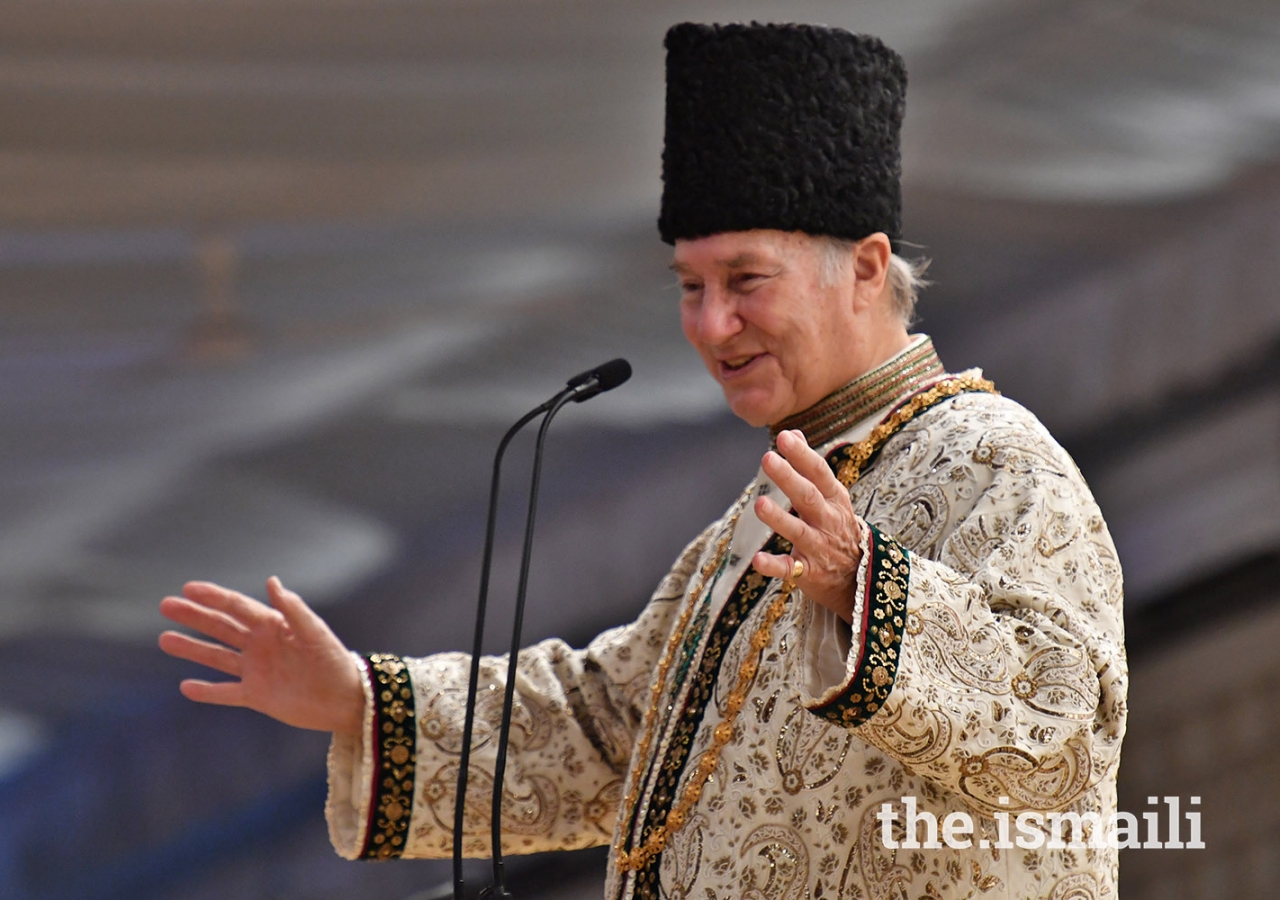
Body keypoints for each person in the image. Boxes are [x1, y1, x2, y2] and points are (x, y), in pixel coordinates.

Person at [159, 22, 1127, 900]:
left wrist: (869, 586)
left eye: (745, 280)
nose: (711, 326)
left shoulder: (993, 463)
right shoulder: (755, 518)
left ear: (866, 270)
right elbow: (606, 725)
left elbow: (1061, 731)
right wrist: (361, 701)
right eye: (689, 286)